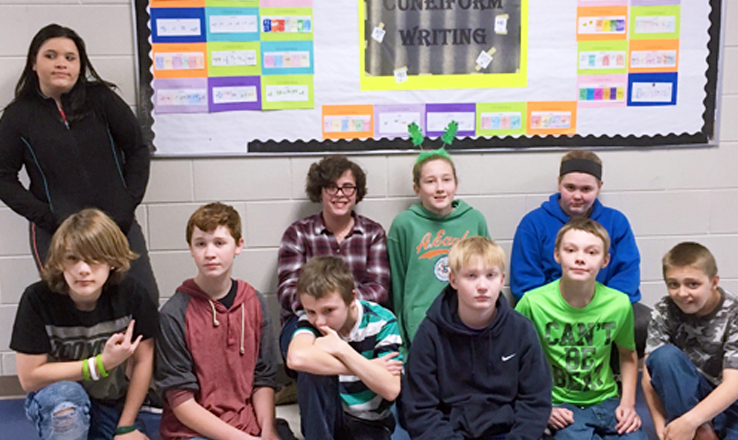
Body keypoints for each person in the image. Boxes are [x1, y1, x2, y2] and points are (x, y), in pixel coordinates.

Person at [0, 24, 158, 303]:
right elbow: (3, 177)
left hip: (117, 224)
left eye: (70, 57)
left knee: (142, 299)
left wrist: (126, 204)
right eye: (51, 55)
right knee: (70, 309)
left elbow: (137, 149)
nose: (61, 63)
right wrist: (47, 217)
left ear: (80, 65)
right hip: (57, 232)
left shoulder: (101, 99)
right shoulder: (17, 116)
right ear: (34, 62)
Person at [10, 208, 159, 440]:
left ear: (111, 261)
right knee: (67, 409)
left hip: (112, 400)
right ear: (60, 261)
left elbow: (143, 361)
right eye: (72, 258)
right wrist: (99, 364)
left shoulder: (132, 294)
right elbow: (29, 378)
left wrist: (126, 426)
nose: (83, 270)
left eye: (94, 258)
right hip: (59, 397)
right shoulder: (37, 299)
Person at [156, 202, 290, 440]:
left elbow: (263, 379)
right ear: (191, 249)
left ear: (238, 245)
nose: (210, 253)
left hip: (249, 425)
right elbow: (180, 400)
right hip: (194, 432)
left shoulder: (254, 302)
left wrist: (268, 431)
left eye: (219, 243)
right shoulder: (173, 314)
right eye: (200, 244)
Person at [402, 236, 552, 440]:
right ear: (453, 280)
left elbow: (535, 401)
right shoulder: (430, 333)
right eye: (471, 276)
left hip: (508, 433)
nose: (482, 286)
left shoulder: (521, 330)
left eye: (490, 275)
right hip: (449, 433)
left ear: (502, 280)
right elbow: (420, 409)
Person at [516, 219, 647, 440]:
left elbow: (628, 355)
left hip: (608, 401)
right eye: (570, 250)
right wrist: (540, 408)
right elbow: (513, 361)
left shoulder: (618, 304)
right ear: (557, 255)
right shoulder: (533, 303)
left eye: (591, 252)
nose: (580, 258)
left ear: (605, 260)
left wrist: (628, 404)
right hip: (560, 405)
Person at [509, 150, 648, 355]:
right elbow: (525, 283)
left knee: (643, 321)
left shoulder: (616, 221)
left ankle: (612, 370)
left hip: (604, 308)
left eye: (586, 189)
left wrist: (600, 310)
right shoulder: (533, 223)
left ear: (599, 187)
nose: (577, 196)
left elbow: (627, 276)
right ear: (559, 184)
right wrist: (562, 311)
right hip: (551, 310)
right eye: (570, 187)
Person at [277, 155, 389, 358]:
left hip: (357, 320)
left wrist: (341, 310)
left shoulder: (373, 233)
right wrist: (323, 309)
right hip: (308, 320)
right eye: (331, 187)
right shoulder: (298, 233)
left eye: (348, 187)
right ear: (319, 191)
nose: (340, 194)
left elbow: (379, 289)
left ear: (357, 192)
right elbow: (287, 290)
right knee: (313, 360)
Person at [286, 256, 403, 440]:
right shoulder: (310, 321)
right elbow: (296, 358)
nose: (319, 322)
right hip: (332, 416)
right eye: (311, 311)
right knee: (309, 370)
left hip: (370, 421)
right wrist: (367, 366)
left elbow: (391, 390)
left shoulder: (381, 321)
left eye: (329, 310)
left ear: (352, 299)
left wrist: (341, 349)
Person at [387, 148, 489, 354]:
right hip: (421, 329)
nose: (440, 188)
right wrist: (402, 344)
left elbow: (488, 274)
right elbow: (397, 287)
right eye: (430, 181)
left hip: (468, 328)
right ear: (417, 189)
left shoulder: (474, 220)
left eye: (446, 180)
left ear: (456, 185)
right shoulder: (404, 225)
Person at [642, 242, 738, 440]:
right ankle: (700, 433)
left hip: (728, 403)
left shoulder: (734, 312)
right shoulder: (664, 310)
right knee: (664, 356)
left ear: (714, 282)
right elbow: (648, 376)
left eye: (693, 284)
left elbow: (733, 383)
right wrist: (661, 427)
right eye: (673, 284)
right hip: (686, 397)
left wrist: (690, 422)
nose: (682, 293)